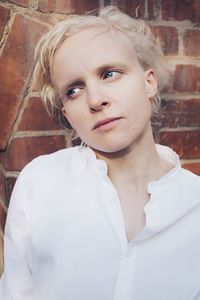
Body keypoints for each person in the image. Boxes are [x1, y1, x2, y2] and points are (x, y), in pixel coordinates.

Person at [0, 5, 200, 300]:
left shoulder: (194, 204)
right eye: (74, 90)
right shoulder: (39, 183)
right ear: (67, 113)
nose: (95, 99)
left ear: (149, 82)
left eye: (109, 73)